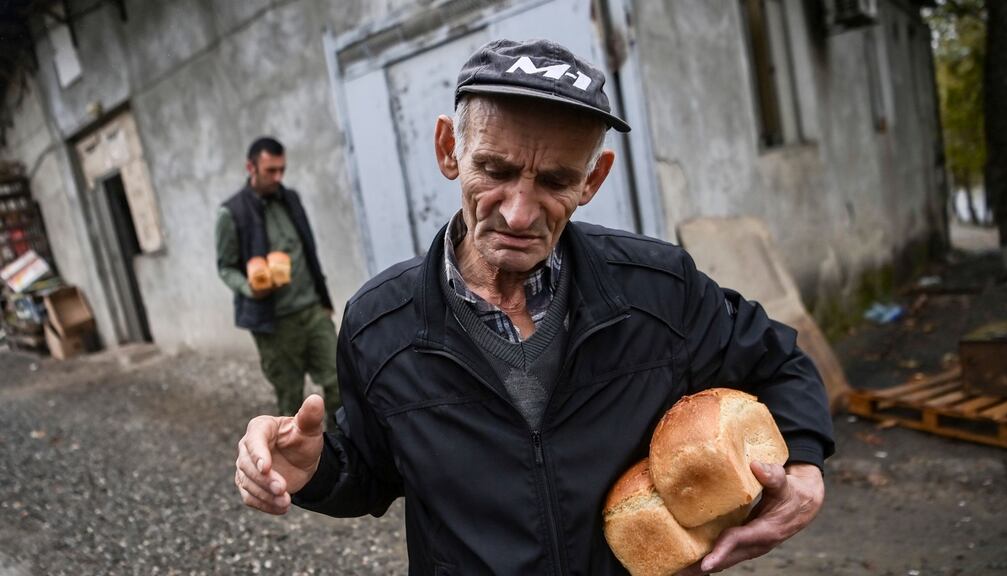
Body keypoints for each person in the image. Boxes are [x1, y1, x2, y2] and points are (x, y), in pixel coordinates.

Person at [234, 39, 835, 575]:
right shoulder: (379, 324)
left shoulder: (659, 289)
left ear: (592, 180)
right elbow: (371, 469)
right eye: (494, 170)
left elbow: (778, 363)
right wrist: (314, 468)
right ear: (450, 150)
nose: (519, 214)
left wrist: (806, 466)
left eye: (554, 181)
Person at [216, 137, 341, 423]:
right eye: (271, 171)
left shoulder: (291, 198)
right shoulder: (231, 213)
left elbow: (309, 250)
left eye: (281, 170)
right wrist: (248, 288)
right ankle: (302, 461)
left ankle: (341, 453)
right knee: (290, 399)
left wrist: (324, 300)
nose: (278, 177)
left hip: (312, 311)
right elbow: (225, 267)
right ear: (251, 167)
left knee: (339, 383)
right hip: (274, 323)